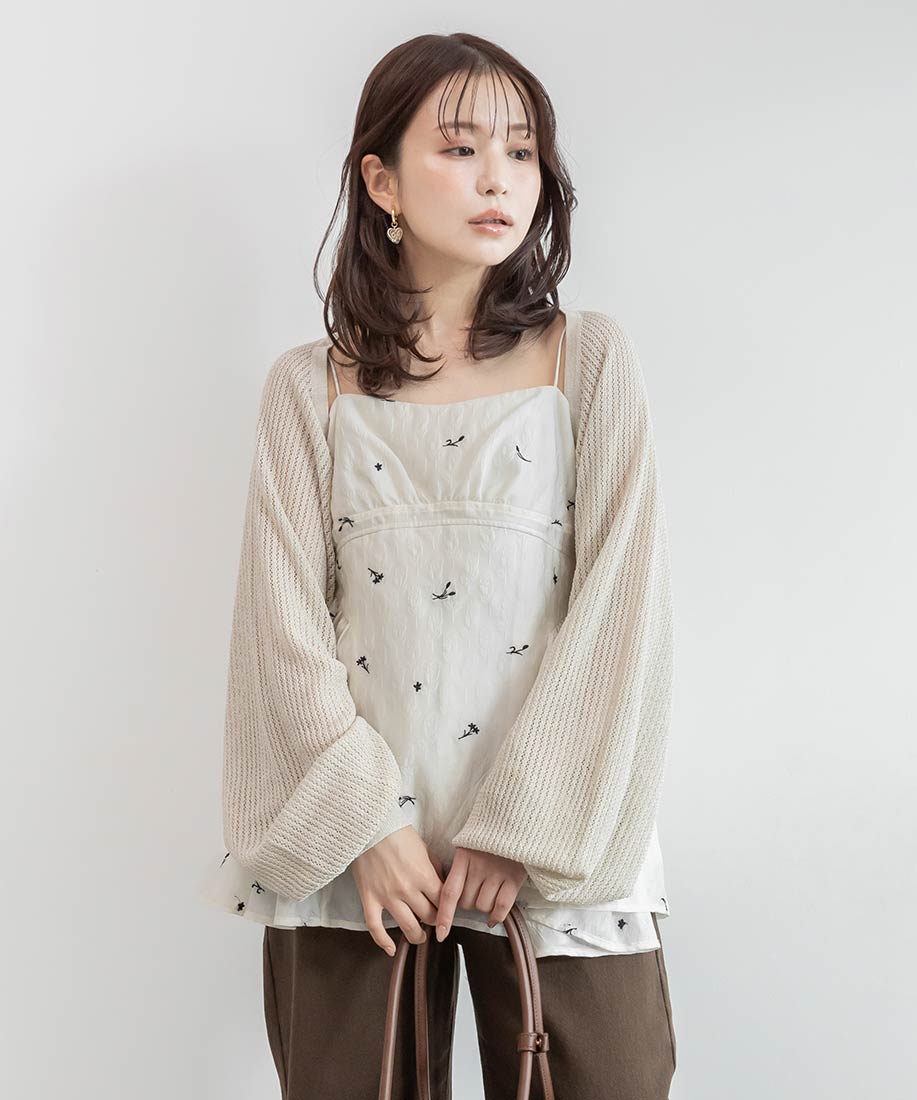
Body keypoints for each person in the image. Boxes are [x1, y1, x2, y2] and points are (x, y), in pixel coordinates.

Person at [199, 31, 677, 1099]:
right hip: (362, 855)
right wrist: (366, 824)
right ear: (381, 181)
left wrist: (521, 830)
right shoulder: (309, 390)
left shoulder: (589, 362)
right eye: (459, 148)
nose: (498, 178)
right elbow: (282, 627)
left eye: (521, 150)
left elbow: (621, 616)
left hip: (558, 845)